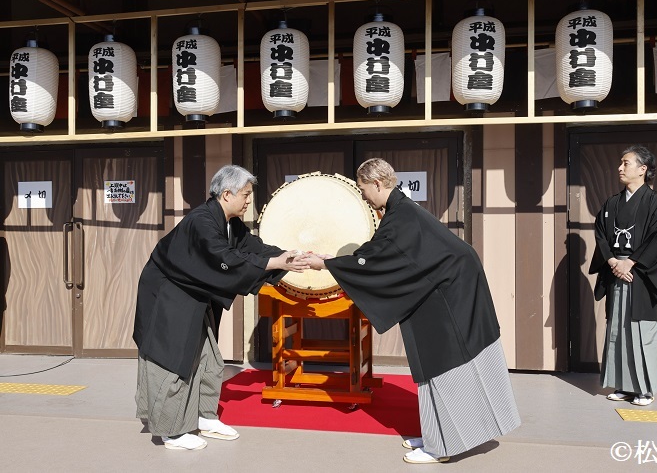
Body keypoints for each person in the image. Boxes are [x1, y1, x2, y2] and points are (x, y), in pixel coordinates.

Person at [303, 158, 520, 464]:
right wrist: (334, 261)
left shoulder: (401, 216)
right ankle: (436, 435)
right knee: (431, 366)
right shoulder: (400, 212)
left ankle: (443, 447)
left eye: (364, 189)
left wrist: (327, 264)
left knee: (446, 367)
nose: (364, 196)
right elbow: (376, 252)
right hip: (442, 292)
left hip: (448, 297)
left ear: (377, 184)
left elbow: (378, 260)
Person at [133, 164, 308, 450]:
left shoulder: (229, 222)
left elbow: (253, 248)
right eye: (246, 194)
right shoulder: (202, 222)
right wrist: (274, 263)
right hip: (168, 297)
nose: (249, 200)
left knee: (208, 358)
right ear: (227, 194)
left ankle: (203, 416)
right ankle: (170, 432)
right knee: (171, 361)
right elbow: (223, 258)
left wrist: (291, 256)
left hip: (192, 294)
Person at [589, 145, 657, 406]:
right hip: (618, 272)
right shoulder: (611, 203)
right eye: (621, 163)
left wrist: (632, 263)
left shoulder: (656, 202)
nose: (620, 168)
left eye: (626, 163)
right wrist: (614, 261)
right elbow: (602, 233)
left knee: (640, 330)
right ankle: (623, 386)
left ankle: (645, 388)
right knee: (618, 329)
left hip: (641, 276)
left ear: (642, 169)